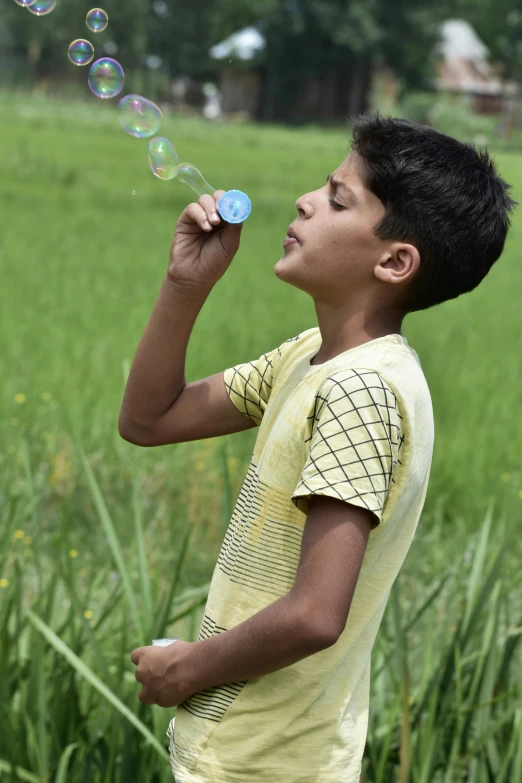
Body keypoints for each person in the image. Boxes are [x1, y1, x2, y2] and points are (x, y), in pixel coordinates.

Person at [120, 109, 518, 783]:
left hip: (271, 764)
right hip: (248, 752)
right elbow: (150, 419)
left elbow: (314, 612)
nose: (305, 200)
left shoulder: (361, 391)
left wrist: (183, 667)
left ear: (394, 261)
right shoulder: (313, 358)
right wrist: (187, 285)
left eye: (337, 199)